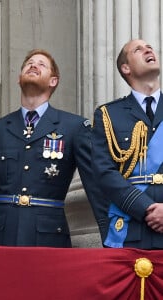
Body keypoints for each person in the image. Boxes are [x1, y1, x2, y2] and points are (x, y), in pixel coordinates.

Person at [0, 49, 97, 247]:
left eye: (41, 65)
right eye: (29, 64)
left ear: (53, 81)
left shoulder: (74, 127)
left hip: (48, 234)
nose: (33, 65)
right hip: (3, 233)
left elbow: (94, 183)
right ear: (19, 79)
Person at [91, 39, 163, 249]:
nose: (148, 49)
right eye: (138, 49)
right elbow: (104, 172)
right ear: (126, 68)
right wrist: (147, 208)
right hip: (132, 228)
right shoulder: (108, 114)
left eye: (149, 46)